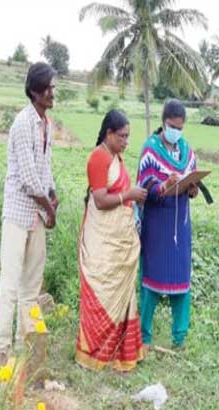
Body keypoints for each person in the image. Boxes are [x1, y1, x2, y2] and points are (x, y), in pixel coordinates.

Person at [0, 62, 58, 367]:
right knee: (10, 283)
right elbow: (30, 180)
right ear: (34, 91)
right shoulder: (22, 124)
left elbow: (45, 170)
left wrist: (53, 194)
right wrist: (49, 209)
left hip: (37, 216)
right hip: (20, 213)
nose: (52, 92)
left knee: (31, 286)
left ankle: (24, 347)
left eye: (53, 87)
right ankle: (1, 349)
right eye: (47, 87)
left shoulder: (47, 124)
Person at [75, 110, 147, 371]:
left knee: (121, 291)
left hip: (121, 239)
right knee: (102, 290)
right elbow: (100, 200)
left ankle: (120, 352)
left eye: (128, 137)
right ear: (109, 134)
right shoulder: (99, 158)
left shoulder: (116, 157)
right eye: (122, 136)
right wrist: (129, 194)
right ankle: (94, 353)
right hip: (102, 240)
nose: (126, 142)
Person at [136, 100, 200, 349]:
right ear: (164, 123)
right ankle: (144, 335)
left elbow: (192, 187)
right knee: (151, 281)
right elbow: (143, 190)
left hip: (181, 226)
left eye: (180, 127)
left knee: (182, 282)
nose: (177, 132)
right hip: (158, 225)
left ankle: (179, 336)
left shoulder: (187, 150)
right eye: (173, 126)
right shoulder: (150, 150)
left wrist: (191, 188)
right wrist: (163, 187)